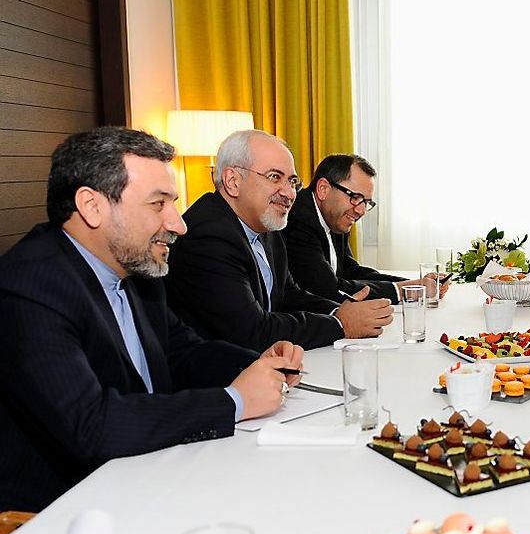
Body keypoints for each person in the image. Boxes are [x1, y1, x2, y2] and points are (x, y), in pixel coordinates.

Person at [0, 127, 303, 512]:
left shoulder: (137, 270)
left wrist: (257, 362)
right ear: (92, 206)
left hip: (148, 473)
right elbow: (91, 427)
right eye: (158, 205)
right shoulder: (30, 286)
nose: (179, 224)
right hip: (62, 512)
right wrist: (234, 401)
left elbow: (181, 353)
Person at [165, 130, 394, 351]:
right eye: (275, 177)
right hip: (219, 378)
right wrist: (342, 324)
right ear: (233, 181)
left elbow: (289, 295)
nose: (289, 193)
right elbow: (253, 331)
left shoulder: (266, 223)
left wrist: (340, 311)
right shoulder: (209, 235)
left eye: (292, 181)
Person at [282, 153, 449, 303]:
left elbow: (351, 271)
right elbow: (329, 290)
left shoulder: (335, 215)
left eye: (366, 203)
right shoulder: (298, 220)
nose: (361, 211)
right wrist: (406, 290)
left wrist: (414, 284)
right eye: (355, 197)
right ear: (323, 189)